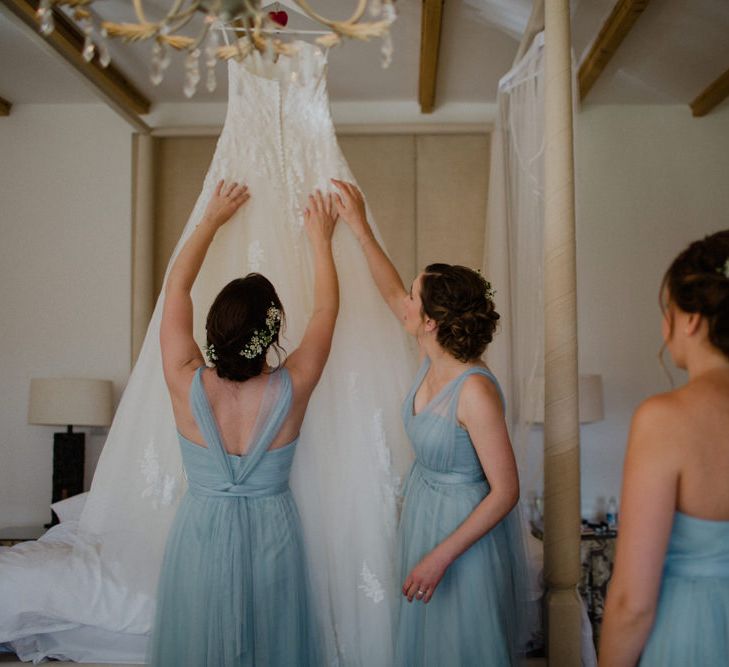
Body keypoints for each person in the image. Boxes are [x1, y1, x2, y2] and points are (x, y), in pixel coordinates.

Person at [332, 179, 527, 665]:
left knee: (460, 647)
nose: (405, 302)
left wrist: (441, 556)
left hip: (463, 535)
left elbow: (505, 492)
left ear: (430, 323)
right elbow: (390, 287)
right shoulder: (429, 358)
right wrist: (358, 224)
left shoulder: (475, 390)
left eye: (414, 300)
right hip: (425, 512)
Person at [148, 181, 339, 665]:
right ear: (272, 333)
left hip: (202, 529)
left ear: (211, 329)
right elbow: (326, 309)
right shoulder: (293, 386)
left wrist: (211, 219)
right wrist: (320, 239)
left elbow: (177, 287)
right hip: (272, 529)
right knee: (272, 641)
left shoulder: (182, 378)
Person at [600, 230, 729, 666]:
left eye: (667, 310)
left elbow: (632, 604)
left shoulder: (666, 418)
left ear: (690, 319)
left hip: (697, 633)